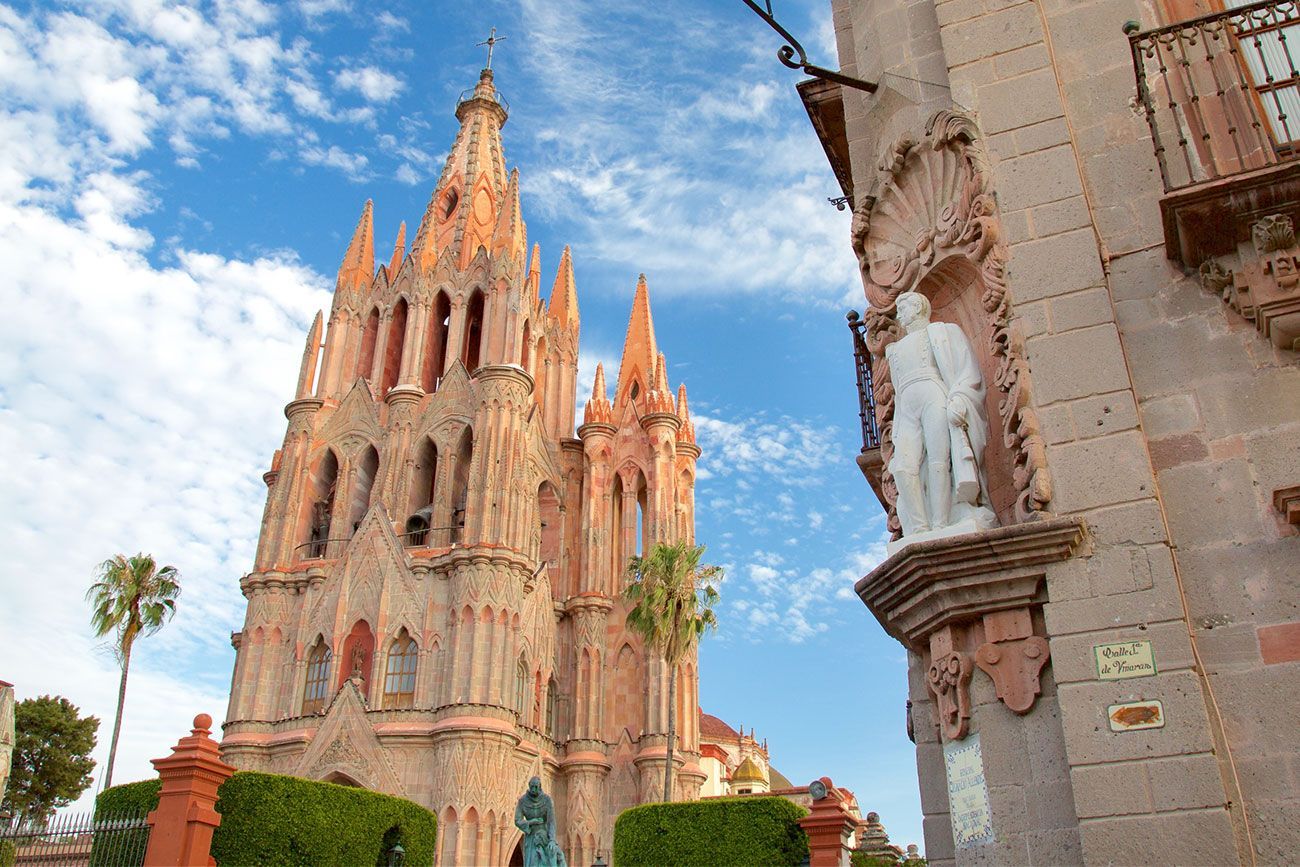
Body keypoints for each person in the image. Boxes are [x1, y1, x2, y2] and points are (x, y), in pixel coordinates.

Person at [884, 291, 996, 538]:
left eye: (904, 308)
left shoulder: (944, 332)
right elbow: (898, 392)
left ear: (918, 308)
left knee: (939, 460)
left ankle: (940, 523)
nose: (900, 314)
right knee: (903, 466)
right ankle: (918, 526)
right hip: (907, 406)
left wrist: (958, 397)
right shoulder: (894, 350)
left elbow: (966, 368)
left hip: (934, 393)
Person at [514, 776, 567, 867]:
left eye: (536, 787)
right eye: (531, 787)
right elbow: (517, 820)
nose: (533, 789)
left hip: (544, 836)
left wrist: (552, 840)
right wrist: (531, 822)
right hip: (531, 838)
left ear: (540, 786)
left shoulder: (547, 800)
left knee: (556, 857)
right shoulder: (523, 801)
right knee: (533, 863)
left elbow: (551, 822)